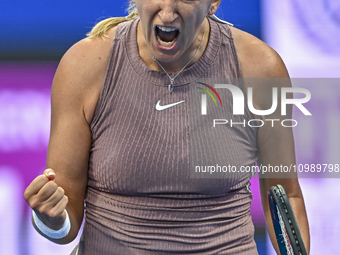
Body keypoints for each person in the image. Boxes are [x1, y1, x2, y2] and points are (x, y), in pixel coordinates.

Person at [24, 0, 310, 254]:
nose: (168, 12)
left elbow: (285, 196)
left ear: (213, 4)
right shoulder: (83, 65)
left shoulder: (261, 68)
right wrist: (52, 218)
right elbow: (64, 219)